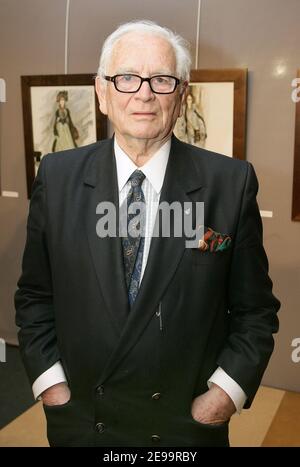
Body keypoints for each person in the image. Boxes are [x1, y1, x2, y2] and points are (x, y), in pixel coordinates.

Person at [15, 20, 280, 447]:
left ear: (182, 94)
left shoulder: (229, 184)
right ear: (102, 93)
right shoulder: (57, 176)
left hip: (181, 430)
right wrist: (51, 386)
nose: (143, 93)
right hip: (84, 421)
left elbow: (256, 312)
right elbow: (34, 296)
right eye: (126, 78)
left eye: (161, 79)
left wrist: (223, 397)